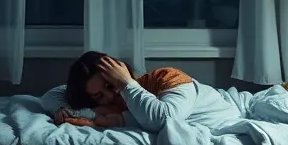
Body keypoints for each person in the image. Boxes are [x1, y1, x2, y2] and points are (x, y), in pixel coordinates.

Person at [55, 51, 232, 132]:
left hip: (225, 114)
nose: (110, 96)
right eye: (98, 96)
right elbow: (50, 97)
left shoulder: (166, 77)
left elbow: (166, 120)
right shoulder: (110, 112)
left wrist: (126, 83)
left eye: (110, 85)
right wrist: (65, 112)